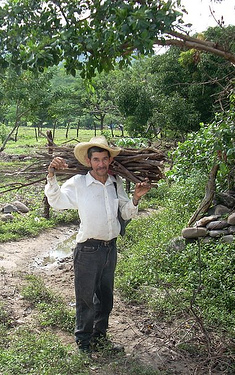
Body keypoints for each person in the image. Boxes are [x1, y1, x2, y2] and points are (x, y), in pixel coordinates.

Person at [44, 136, 152, 353]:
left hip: (109, 249)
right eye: (96, 159)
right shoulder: (79, 183)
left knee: (105, 297)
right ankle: (83, 343)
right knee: (85, 300)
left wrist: (136, 199)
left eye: (104, 159)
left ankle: (99, 338)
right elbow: (56, 202)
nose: (101, 164)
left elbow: (124, 212)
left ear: (110, 160)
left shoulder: (115, 183)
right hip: (88, 250)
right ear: (89, 161)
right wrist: (51, 175)